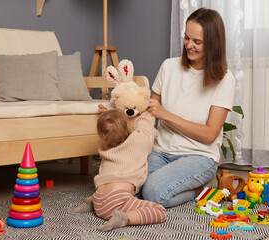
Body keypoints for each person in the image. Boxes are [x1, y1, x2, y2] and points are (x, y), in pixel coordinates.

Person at [139, 7, 235, 208]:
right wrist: (118, 114)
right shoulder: (169, 67)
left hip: (198, 156)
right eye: (186, 38)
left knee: (154, 193)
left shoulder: (224, 80)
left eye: (197, 42)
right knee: (132, 186)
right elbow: (149, 111)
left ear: (213, 44)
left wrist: (167, 115)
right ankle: (175, 184)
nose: (188, 45)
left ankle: (200, 191)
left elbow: (209, 135)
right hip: (161, 152)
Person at [73, 109, 167, 231]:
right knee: (160, 211)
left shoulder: (103, 147)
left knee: (106, 195)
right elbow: (146, 129)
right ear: (130, 130)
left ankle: (92, 203)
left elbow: (111, 130)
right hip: (117, 203)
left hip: (99, 199)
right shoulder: (138, 141)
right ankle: (124, 218)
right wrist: (143, 116)